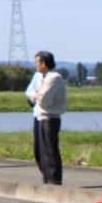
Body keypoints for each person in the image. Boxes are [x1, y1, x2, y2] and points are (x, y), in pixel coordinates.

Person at [25, 51, 66, 185]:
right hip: (38, 115)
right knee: (39, 150)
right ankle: (46, 177)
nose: (36, 65)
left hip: (50, 117)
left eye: (37, 62)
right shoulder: (39, 76)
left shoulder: (54, 77)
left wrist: (36, 95)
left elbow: (44, 100)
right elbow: (29, 92)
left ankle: (54, 179)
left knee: (50, 149)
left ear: (43, 63)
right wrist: (35, 95)